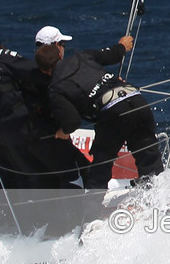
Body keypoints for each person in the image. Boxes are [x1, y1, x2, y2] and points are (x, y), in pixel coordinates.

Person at [0, 20, 77, 188]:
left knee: (29, 178)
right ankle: (84, 211)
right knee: (69, 169)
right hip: (26, 125)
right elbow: (35, 73)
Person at [41, 28, 163, 188]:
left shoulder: (55, 87)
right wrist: (122, 46)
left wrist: (63, 132)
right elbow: (113, 54)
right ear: (59, 52)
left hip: (113, 112)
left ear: (44, 70)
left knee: (101, 166)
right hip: (137, 100)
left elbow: (72, 122)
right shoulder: (82, 56)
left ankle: (93, 209)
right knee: (149, 156)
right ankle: (157, 198)